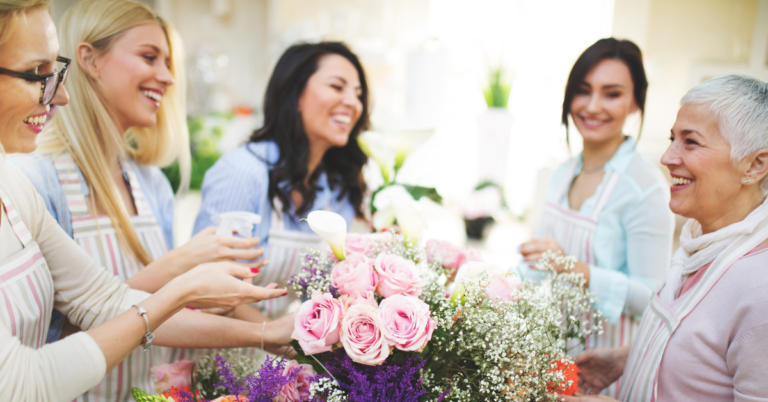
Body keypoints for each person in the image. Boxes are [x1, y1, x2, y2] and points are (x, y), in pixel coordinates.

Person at [0, 2, 289, 400]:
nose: (60, 95)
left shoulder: (15, 186)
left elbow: (105, 301)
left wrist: (265, 332)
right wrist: (178, 278)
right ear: (90, 60)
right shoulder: (36, 176)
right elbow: (35, 368)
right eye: (37, 72)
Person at [564, 74, 768, 402]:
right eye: (673, 138)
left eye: (691, 142)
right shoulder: (699, 243)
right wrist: (628, 358)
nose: (667, 157)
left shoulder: (760, 291)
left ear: (755, 165)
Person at [519, 39, 674, 396]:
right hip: (550, 359)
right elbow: (539, 265)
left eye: (612, 94)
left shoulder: (645, 186)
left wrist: (575, 269)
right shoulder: (561, 173)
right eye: (583, 90)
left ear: (635, 102)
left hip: (606, 375)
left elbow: (653, 299)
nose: (592, 106)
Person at [194, 41, 370, 318]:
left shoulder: (335, 188)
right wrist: (279, 336)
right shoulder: (242, 171)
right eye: (337, 87)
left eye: (358, 94)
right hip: (224, 338)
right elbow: (206, 288)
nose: (353, 103)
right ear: (295, 94)